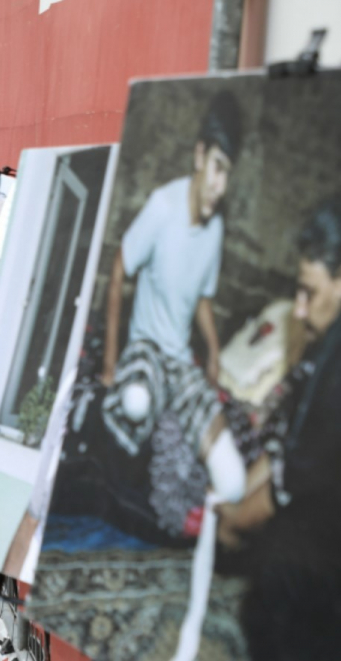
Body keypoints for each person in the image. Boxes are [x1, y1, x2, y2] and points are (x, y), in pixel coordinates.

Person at [215, 198, 341, 660]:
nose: (301, 309)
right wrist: (233, 502)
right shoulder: (322, 348)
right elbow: (283, 446)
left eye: (310, 292)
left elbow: (286, 486)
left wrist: (233, 521)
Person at [99, 91, 242, 463]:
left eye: (228, 173)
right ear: (199, 156)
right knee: (135, 403)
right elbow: (119, 267)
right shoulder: (163, 206)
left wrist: (212, 353)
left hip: (180, 359)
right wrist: (111, 364)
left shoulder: (216, 227)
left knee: (229, 473)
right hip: (145, 348)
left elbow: (202, 297)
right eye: (217, 167)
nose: (220, 186)